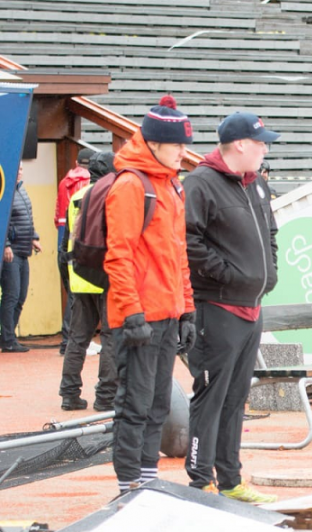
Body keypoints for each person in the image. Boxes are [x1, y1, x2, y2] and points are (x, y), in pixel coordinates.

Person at [183, 111, 280, 504]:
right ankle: (199, 479)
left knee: (237, 396)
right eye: (260, 143)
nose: (265, 149)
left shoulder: (256, 185)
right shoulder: (201, 183)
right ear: (240, 144)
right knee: (211, 395)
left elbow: (271, 232)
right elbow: (187, 240)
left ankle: (231, 480)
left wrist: (268, 272)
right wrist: (226, 274)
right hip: (217, 307)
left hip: (251, 307)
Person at [104, 95, 195, 494]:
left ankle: (147, 479)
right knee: (134, 404)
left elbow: (179, 255)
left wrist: (187, 310)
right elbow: (117, 256)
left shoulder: (172, 186)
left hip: (168, 313)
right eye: (177, 145)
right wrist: (132, 313)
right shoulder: (130, 186)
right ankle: (128, 485)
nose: (183, 152)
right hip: (141, 316)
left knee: (158, 403)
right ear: (155, 143)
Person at [59, 151, 118, 411]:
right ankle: (106, 396)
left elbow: (66, 243)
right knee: (111, 337)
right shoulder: (110, 195)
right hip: (105, 275)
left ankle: (69, 395)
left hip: (80, 276)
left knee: (77, 338)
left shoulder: (76, 197)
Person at [55, 147, 94, 355]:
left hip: (64, 241)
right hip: (81, 247)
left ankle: (68, 341)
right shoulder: (88, 185)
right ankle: (72, 341)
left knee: (72, 294)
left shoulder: (64, 182)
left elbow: (59, 216)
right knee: (79, 298)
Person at [2, 162, 42, 353]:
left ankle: (8, 337)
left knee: (20, 296)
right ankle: (8, 340)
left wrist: (34, 238)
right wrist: (5, 245)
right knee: (11, 296)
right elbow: (4, 221)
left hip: (23, 251)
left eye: (21, 169)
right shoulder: (6, 193)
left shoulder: (22, 191)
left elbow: (27, 218)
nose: (20, 173)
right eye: (17, 170)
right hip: (11, 253)